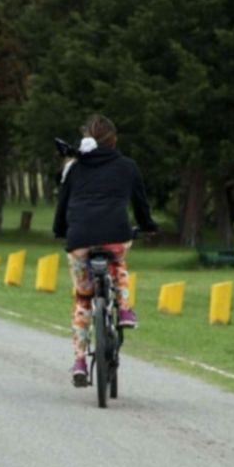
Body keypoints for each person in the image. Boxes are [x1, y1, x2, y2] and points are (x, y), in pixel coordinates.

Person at [52, 114, 158, 387]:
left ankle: (79, 362)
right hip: (115, 234)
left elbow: (63, 206)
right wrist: (148, 226)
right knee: (118, 261)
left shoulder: (75, 168)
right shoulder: (128, 167)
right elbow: (140, 204)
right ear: (114, 140)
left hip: (80, 239)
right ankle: (124, 309)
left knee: (83, 298)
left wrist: (60, 230)